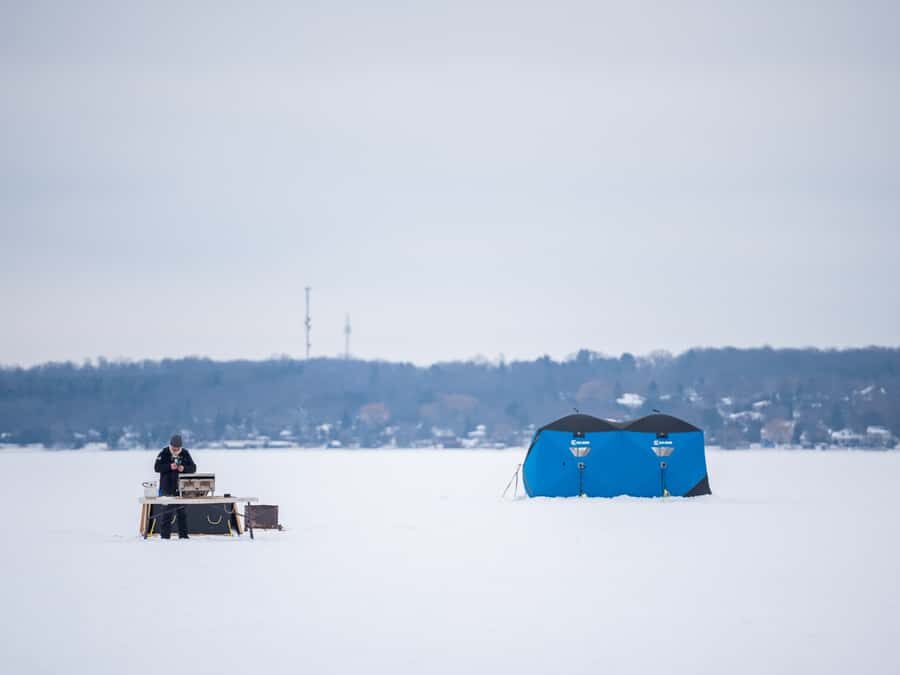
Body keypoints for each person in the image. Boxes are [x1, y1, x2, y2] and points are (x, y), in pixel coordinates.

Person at [153, 434, 197, 539]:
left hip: (181, 489)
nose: (175, 449)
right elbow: (156, 467)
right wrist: (169, 466)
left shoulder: (185, 453)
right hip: (166, 488)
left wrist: (183, 468)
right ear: (170, 445)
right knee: (166, 514)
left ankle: (183, 537)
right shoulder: (164, 452)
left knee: (182, 514)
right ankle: (165, 537)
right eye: (173, 448)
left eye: (177, 448)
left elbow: (193, 468)